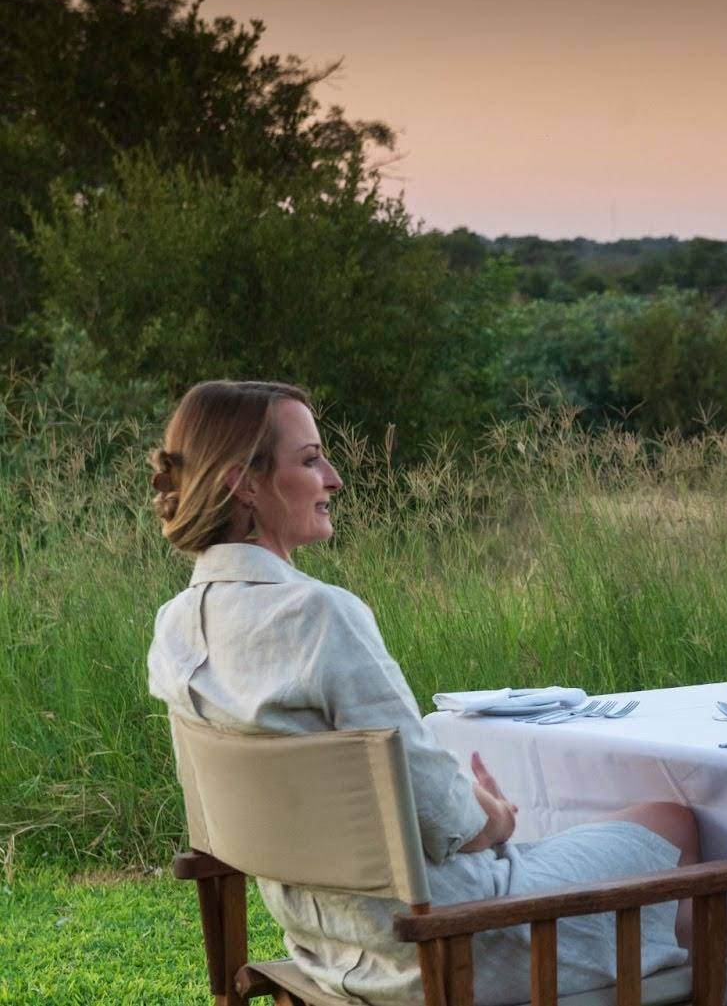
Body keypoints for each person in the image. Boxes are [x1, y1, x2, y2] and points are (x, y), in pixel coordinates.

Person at [147, 380, 697, 1006]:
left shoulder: (175, 626)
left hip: (326, 947)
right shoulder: (318, 615)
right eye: (309, 459)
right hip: (447, 940)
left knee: (585, 838)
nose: (333, 478)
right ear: (244, 482)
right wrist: (493, 813)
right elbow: (450, 821)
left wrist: (472, 815)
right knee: (669, 823)